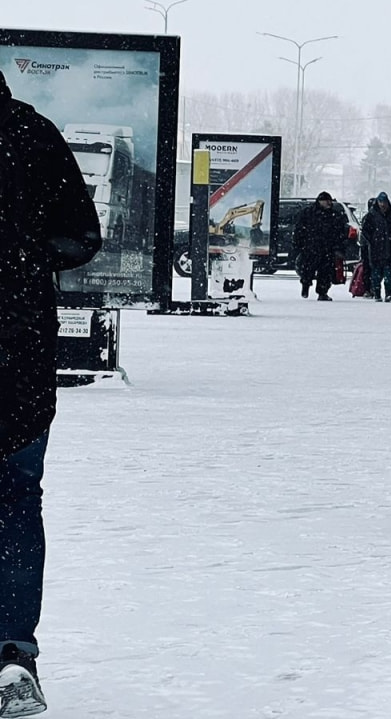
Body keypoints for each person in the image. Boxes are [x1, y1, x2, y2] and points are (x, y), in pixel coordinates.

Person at [1, 69, 103, 717]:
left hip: (19, 356)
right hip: (21, 359)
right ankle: (13, 657)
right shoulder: (34, 136)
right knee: (14, 502)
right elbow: (83, 236)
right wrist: (26, 254)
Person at [293, 191, 347, 301]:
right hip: (311, 247)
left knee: (325, 272)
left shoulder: (334, 215)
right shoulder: (308, 213)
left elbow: (340, 232)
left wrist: (338, 246)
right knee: (307, 269)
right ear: (319, 201)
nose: (328, 203)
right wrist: (300, 244)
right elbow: (299, 230)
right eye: (325, 201)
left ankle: (322, 292)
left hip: (327, 248)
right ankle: (306, 285)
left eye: (329, 201)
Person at [360, 192, 391, 302]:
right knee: (375, 274)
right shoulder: (371, 215)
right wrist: (373, 240)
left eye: (384, 202)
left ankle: (388, 294)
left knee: (388, 274)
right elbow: (365, 231)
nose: (383, 204)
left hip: (388, 250)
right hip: (375, 250)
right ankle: (377, 293)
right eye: (381, 202)